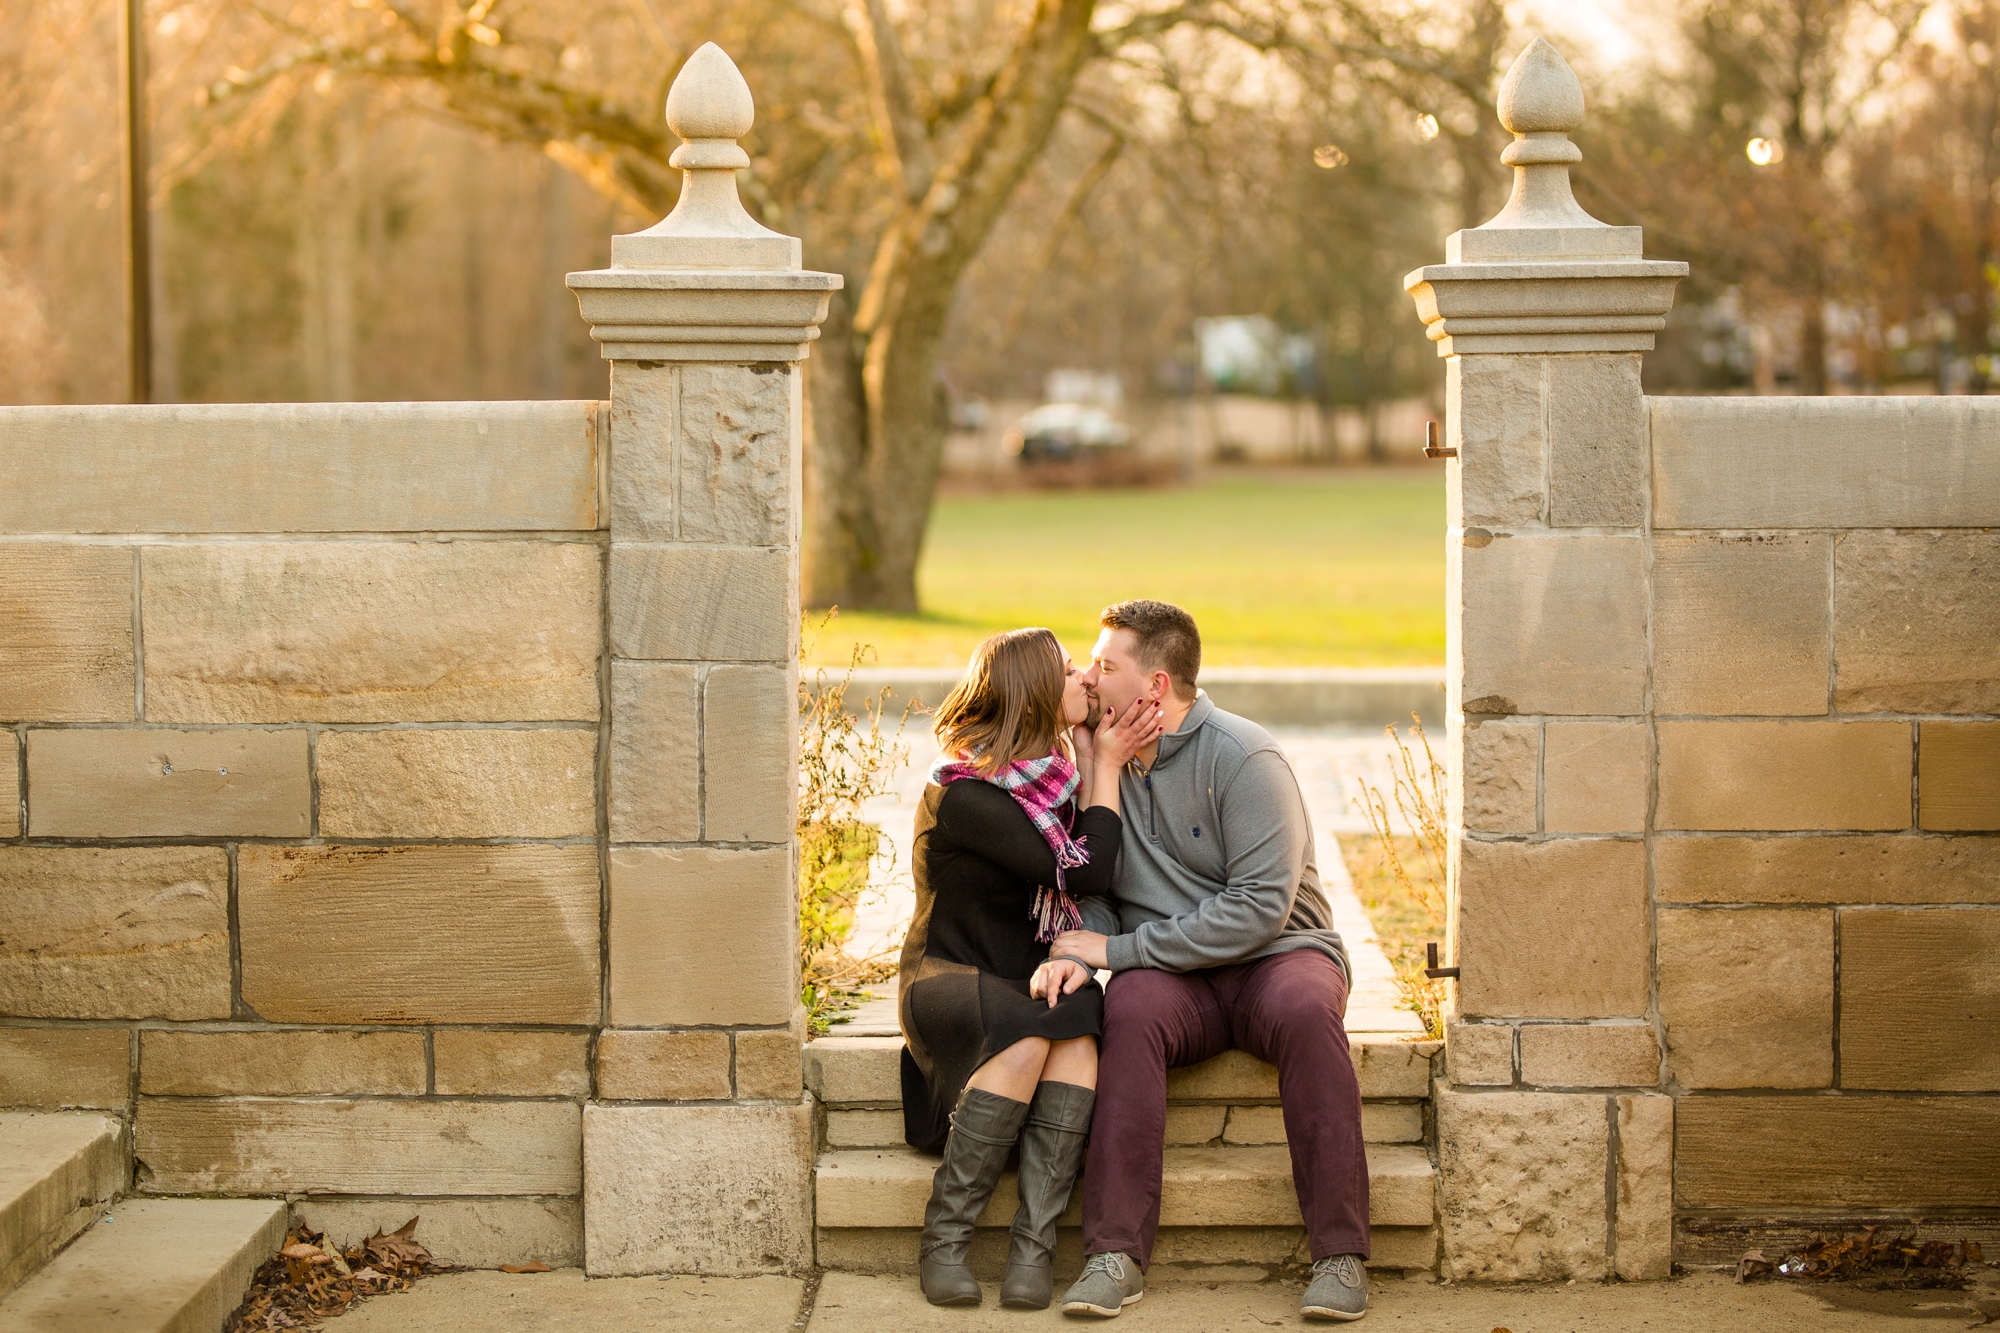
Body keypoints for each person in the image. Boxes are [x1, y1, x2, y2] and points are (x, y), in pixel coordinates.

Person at [1045, 599, 1372, 1323]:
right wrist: (1080, 946)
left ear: (1156, 685)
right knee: (1127, 1008)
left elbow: (1259, 908)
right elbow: (1100, 883)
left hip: (1277, 955)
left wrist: (1120, 949)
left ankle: (1340, 1254)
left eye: (1107, 664)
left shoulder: (1245, 757)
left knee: (1308, 1010)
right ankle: (1114, 1254)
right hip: (1173, 979)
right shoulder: (1102, 761)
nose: (1092, 676)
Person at [899, 627, 1165, 1310]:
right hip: (947, 978)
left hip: (1021, 977)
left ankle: (1033, 1247)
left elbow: (1084, 868)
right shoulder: (966, 793)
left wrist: (1087, 758)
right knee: (1027, 1036)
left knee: (1077, 1022)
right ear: (1036, 695)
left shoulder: (1049, 781)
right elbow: (1083, 871)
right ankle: (945, 1239)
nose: (1085, 678)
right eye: (1070, 669)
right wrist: (1104, 765)